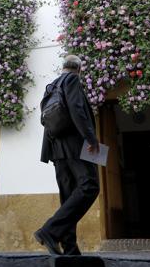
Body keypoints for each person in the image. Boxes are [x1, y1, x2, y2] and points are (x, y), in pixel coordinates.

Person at [35, 54, 101, 255]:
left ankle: (70, 248)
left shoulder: (50, 86)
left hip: (56, 148)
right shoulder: (71, 80)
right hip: (74, 144)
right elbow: (77, 109)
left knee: (69, 195)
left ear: (63, 66)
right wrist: (91, 138)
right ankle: (49, 231)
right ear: (79, 69)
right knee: (90, 186)